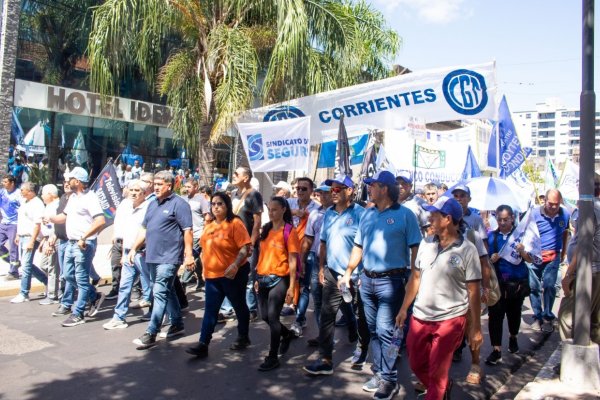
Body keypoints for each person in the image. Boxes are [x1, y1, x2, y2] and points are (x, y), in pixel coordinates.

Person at [340, 170, 422, 399]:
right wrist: (348, 273)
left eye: (372, 184)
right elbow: (358, 246)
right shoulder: (367, 215)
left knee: (386, 330)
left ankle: (389, 379)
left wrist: (415, 277)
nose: (369, 188)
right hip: (367, 280)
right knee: (373, 330)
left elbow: (416, 248)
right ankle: (379, 372)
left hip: (392, 281)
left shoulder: (406, 215)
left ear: (384, 188)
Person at [397, 196, 483, 400]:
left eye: (434, 215)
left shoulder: (467, 250)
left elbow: (474, 291)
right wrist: (403, 308)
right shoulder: (425, 244)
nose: (429, 218)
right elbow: (415, 278)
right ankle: (441, 388)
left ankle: (438, 391)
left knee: (438, 371)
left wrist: (476, 328)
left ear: (448, 219)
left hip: (450, 320)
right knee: (416, 363)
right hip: (420, 316)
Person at [303, 174, 364, 376]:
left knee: (352, 309)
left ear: (350, 191)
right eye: (332, 189)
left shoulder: (361, 214)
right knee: (328, 314)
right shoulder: (328, 213)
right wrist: (321, 268)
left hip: (354, 276)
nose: (333, 193)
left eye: (338, 189)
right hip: (331, 272)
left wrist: (358, 273)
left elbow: (365, 246)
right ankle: (326, 359)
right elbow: (323, 243)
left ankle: (355, 331)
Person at [128, 170, 194, 349]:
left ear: (169, 185)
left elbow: (188, 230)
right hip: (152, 256)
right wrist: (134, 248)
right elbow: (144, 229)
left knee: (159, 291)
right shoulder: (152, 204)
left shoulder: (179, 204)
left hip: (169, 257)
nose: (155, 187)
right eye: (154, 184)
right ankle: (177, 323)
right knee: (169, 289)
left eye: (159, 184)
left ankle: (151, 332)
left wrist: (188, 255)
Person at [186, 192, 252, 358]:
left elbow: (245, 247)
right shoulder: (209, 226)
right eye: (213, 204)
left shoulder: (235, 223)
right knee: (210, 311)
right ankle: (203, 344)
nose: (216, 207)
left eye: (220, 204)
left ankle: (243, 336)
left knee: (239, 306)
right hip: (212, 277)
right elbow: (205, 251)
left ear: (227, 206)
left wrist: (235, 265)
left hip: (233, 275)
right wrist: (202, 270)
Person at [45, 167, 106, 327]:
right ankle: (94, 296)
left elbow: (100, 221)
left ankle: (78, 313)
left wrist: (84, 237)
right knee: (68, 275)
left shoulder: (90, 198)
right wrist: (50, 218)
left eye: (70, 179)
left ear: (77, 181)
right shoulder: (72, 198)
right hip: (71, 243)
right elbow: (63, 217)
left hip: (83, 244)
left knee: (80, 277)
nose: (67, 182)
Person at [486, 205, 536, 365]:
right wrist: (491, 259)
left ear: (512, 219)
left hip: (516, 283)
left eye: (505, 219)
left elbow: (530, 259)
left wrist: (522, 252)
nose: (502, 223)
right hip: (498, 283)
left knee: (514, 315)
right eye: (499, 219)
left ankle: (513, 337)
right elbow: (485, 260)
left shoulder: (520, 235)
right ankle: (496, 350)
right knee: (495, 317)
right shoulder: (492, 237)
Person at [254, 197, 299, 371]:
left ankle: (272, 357)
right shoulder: (265, 229)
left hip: (280, 278)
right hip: (263, 277)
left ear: (283, 210)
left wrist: (291, 287)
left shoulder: (289, 231)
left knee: (273, 317)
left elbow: (293, 261)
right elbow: (261, 256)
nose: (271, 213)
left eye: (274, 209)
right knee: (264, 316)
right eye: (269, 209)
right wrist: (257, 277)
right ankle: (286, 334)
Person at [103, 179, 152, 330]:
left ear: (144, 193)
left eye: (137, 191)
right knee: (124, 285)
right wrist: (124, 250)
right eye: (132, 190)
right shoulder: (126, 206)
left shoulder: (149, 207)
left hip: (142, 252)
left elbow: (144, 232)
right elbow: (126, 230)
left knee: (151, 284)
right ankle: (119, 317)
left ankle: (157, 313)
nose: (134, 193)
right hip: (128, 252)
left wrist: (133, 250)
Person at [558, 183, 600, 345]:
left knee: (566, 317)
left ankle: (573, 357)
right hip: (595, 270)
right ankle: (592, 361)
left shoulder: (589, 210)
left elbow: (584, 245)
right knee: (593, 319)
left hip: (586, 271)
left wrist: (568, 274)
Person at [530, 189, 570, 332]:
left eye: (557, 204)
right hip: (535, 257)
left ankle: (547, 315)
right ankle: (537, 315)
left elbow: (565, 232)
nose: (553, 207)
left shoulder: (565, 214)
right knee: (533, 288)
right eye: (551, 203)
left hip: (554, 256)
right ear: (544, 201)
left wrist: (563, 252)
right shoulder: (534, 214)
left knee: (549, 286)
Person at [287, 177, 320, 331]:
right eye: (298, 188)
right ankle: (293, 306)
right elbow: (277, 212)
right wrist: (294, 212)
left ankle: (300, 320)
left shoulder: (317, 209)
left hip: (308, 253)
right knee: (291, 283)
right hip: (289, 251)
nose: (299, 191)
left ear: (311, 191)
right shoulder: (289, 203)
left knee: (304, 287)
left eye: (304, 189)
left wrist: (305, 257)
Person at [231, 166, 263, 321]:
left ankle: (251, 308)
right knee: (230, 274)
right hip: (231, 244)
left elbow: (257, 223)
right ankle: (229, 308)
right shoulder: (233, 194)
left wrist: (251, 243)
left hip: (247, 244)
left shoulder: (254, 195)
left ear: (246, 177)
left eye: (237, 173)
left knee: (249, 278)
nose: (234, 175)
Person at [301, 184, 331, 344]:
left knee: (340, 301)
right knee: (318, 299)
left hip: (336, 264)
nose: (323, 196)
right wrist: (302, 260)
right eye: (320, 193)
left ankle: (352, 326)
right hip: (316, 261)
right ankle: (323, 336)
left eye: (326, 193)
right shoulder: (314, 214)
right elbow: (308, 239)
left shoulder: (341, 213)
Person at [10, 182, 47, 303]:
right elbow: (22, 220)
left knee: (25, 266)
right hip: (22, 236)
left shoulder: (37, 204)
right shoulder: (25, 202)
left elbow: (37, 225)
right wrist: (18, 234)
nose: (20, 192)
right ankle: (47, 282)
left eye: (22, 190)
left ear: (30, 191)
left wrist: (32, 241)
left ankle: (24, 293)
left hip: (31, 238)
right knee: (27, 264)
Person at [181, 178, 211, 292]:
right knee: (197, 258)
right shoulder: (183, 199)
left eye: (189, 187)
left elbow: (207, 218)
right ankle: (201, 280)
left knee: (192, 257)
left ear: (196, 187)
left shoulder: (201, 200)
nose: (187, 189)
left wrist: (204, 233)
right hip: (186, 233)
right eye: (186, 187)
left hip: (197, 234)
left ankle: (183, 281)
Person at [38, 184, 61, 305]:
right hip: (47, 238)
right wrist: (43, 239)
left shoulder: (57, 206)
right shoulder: (49, 206)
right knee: (44, 265)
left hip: (54, 239)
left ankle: (53, 295)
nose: (41, 196)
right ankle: (57, 287)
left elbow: (57, 225)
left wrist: (51, 242)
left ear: (51, 194)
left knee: (52, 267)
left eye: (44, 193)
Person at [0, 175, 21, 279]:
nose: (3, 183)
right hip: (3, 223)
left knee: (13, 248)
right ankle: (14, 263)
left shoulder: (18, 194)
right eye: (3, 182)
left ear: (12, 183)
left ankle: (14, 272)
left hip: (14, 224)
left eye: (5, 182)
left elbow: (23, 210)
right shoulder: (2, 192)